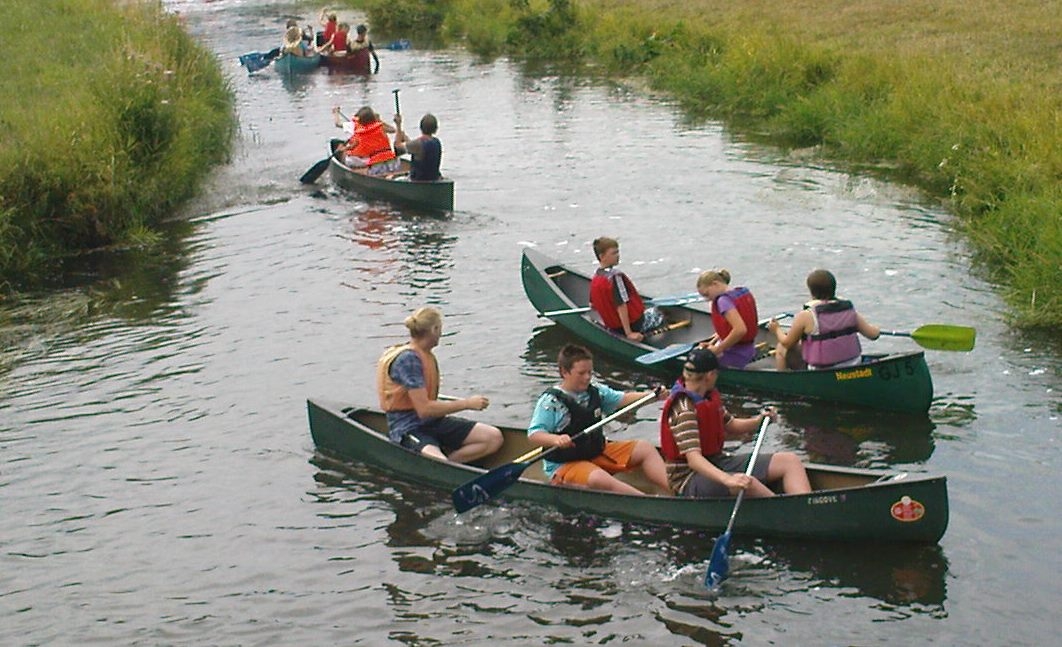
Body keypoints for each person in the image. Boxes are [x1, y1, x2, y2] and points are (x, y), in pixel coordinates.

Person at [659, 348, 812, 497]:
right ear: (710, 375)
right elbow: (694, 460)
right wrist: (728, 479)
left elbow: (731, 425)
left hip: (717, 461)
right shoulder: (685, 409)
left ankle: (806, 507)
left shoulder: (707, 396)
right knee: (748, 483)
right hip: (688, 478)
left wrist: (759, 421)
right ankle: (788, 512)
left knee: (789, 461)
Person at [527, 344, 669, 495]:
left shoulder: (596, 391)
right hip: (565, 464)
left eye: (590, 372)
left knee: (645, 448)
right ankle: (647, 501)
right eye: (581, 373)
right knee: (598, 478)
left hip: (595, 452)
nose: (587, 377)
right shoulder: (551, 402)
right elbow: (534, 434)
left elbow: (623, 399)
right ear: (564, 372)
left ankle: (676, 492)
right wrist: (556, 439)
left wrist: (652, 396)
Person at [377, 307, 503, 463]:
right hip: (408, 427)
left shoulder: (423, 354)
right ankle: (447, 466)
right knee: (438, 461)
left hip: (433, 422)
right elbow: (424, 409)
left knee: (493, 437)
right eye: (440, 329)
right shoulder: (408, 360)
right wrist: (467, 404)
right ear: (434, 329)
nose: (441, 334)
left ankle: (453, 464)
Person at [767, 269, 881, 370]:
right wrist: (877, 328)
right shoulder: (849, 310)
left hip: (822, 369)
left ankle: (784, 381)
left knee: (781, 348)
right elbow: (873, 335)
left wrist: (776, 329)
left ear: (811, 291)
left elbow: (787, 343)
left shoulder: (806, 316)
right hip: (854, 364)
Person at [588, 237, 665, 342]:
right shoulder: (615, 277)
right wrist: (629, 333)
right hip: (633, 325)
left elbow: (592, 305)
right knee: (660, 312)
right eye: (614, 253)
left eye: (617, 252)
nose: (618, 255)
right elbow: (621, 305)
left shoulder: (596, 278)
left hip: (613, 327)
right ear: (602, 257)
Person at [695, 268, 760, 368]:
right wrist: (711, 342)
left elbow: (740, 330)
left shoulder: (723, 301)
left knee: (696, 360)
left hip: (737, 353)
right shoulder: (741, 292)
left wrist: (718, 349)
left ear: (715, 284)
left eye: (707, 294)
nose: (707, 299)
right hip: (748, 348)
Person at [332, 106, 400, 175]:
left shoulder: (360, 133)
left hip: (375, 164)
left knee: (346, 156)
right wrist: (380, 121)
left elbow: (352, 146)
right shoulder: (381, 127)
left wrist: (342, 149)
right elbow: (393, 130)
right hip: (393, 162)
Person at [393, 112, 443, 181]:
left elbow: (397, 148)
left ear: (421, 128)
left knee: (391, 177)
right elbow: (416, 148)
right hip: (434, 179)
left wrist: (398, 125)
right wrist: (405, 138)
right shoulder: (437, 142)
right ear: (436, 129)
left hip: (419, 181)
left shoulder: (418, 144)